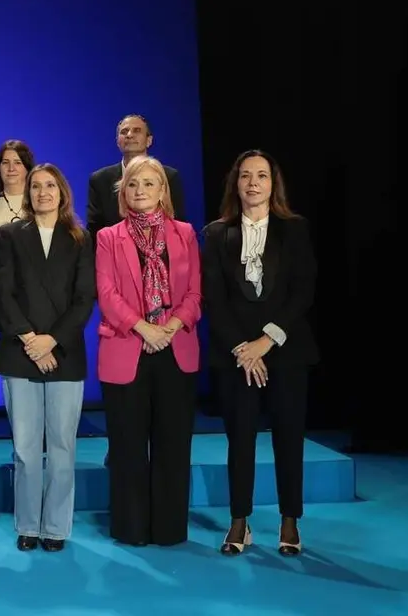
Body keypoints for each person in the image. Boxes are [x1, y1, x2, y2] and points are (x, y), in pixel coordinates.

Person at [202, 150, 318, 557]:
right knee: (240, 441)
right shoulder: (216, 233)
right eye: (246, 176)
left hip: (284, 351)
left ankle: (290, 520)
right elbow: (213, 297)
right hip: (235, 355)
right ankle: (239, 521)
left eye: (262, 176)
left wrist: (266, 342)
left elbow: (303, 290)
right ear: (236, 183)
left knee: (289, 439)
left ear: (273, 183)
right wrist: (242, 348)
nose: (253, 183)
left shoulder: (295, 229)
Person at [94, 155, 201, 546]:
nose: (140, 191)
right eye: (133, 184)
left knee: (173, 444)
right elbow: (107, 294)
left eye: (148, 184)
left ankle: (169, 529)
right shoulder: (108, 237)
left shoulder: (185, 233)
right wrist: (144, 329)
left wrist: (169, 327)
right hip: (128, 348)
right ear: (124, 192)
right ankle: (131, 528)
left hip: (176, 348)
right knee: (128, 445)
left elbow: (194, 292)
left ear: (162, 191)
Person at [0, 164, 95, 552]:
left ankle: (55, 528)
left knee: (63, 448)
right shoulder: (10, 235)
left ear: (62, 192)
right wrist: (31, 339)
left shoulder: (81, 238)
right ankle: (27, 526)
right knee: (25, 448)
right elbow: (2, 292)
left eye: (50, 185)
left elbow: (85, 298)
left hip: (65, 354)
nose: (42, 192)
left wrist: (52, 341)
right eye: (35, 187)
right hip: (21, 352)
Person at [0, 139, 35, 228]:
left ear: (27, 168)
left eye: (17, 163)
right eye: (5, 162)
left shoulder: (39, 205)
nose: (11, 168)